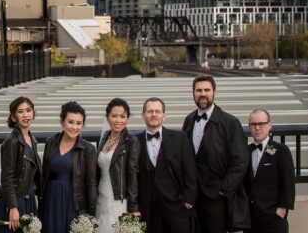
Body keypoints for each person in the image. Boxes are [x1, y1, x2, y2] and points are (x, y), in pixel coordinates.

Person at [183, 75, 249, 233]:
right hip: (194, 196)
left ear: (214, 93)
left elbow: (241, 161)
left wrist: (223, 189)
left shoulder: (230, 122)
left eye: (207, 90)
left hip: (217, 197)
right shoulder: (189, 120)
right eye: (199, 90)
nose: (203, 94)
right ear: (193, 93)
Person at [134, 97, 197, 233]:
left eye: (158, 111)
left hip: (177, 208)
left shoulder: (180, 138)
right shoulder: (134, 141)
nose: (154, 114)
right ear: (143, 115)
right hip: (147, 210)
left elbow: (190, 172)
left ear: (164, 116)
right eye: (150, 111)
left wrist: (188, 201)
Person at [40, 101, 98, 233]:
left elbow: (91, 183)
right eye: (71, 122)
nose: (74, 127)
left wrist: (91, 215)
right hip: (51, 200)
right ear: (62, 122)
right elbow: (44, 175)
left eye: (79, 123)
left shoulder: (88, 149)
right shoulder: (51, 142)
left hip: (74, 202)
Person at [0, 96, 42, 232]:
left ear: (33, 114)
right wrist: (13, 208)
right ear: (14, 118)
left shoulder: (31, 139)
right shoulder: (12, 142)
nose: (26, 115)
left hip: (28, 197)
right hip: (16, 200)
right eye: (20, 112)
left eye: (28, 110)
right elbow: (6, 178)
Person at [244, 109, 295, 233]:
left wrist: (281, 210)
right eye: (253, 124)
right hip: (251, 219)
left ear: (269, 125)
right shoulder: (245, 151)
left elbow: (288, 182)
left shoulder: (280, 150)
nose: (257, 128)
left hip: (274, 219)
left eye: (261, 124)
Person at [96, 98, 140, 233]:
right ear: (108, 117)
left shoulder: (132, 141)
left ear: (127, 118)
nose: (118, 120)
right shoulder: (104, 138)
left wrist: (133, 207)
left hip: (119, 198)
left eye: (122, 116)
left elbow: (132, 174)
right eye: (114, 116)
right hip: (101, 196)